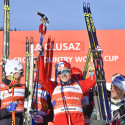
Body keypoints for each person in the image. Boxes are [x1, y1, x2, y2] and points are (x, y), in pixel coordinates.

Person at [35, 44, 96, 125]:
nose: (63, 74)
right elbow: (41, 79)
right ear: (58, 75)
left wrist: (98, 58)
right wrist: (41, 56)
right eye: (60, 72)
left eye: (66, 71)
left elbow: (95, 78)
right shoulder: (53, 87)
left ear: (70, 72)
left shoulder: (80, 85)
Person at [0, 59, 24, 125]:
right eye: (21, 73)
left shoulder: (24, 88)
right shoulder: (1, 88)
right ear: (12, 72)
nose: (22, 76)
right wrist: (6, 109)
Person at [32, 56, 54, 125]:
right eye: (33, 66)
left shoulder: (46, 87)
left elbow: (52, 114)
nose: (35, 70)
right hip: (29, 120)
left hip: (42, 121)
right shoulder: (27, 86)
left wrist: (43, 119)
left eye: (37, 66)